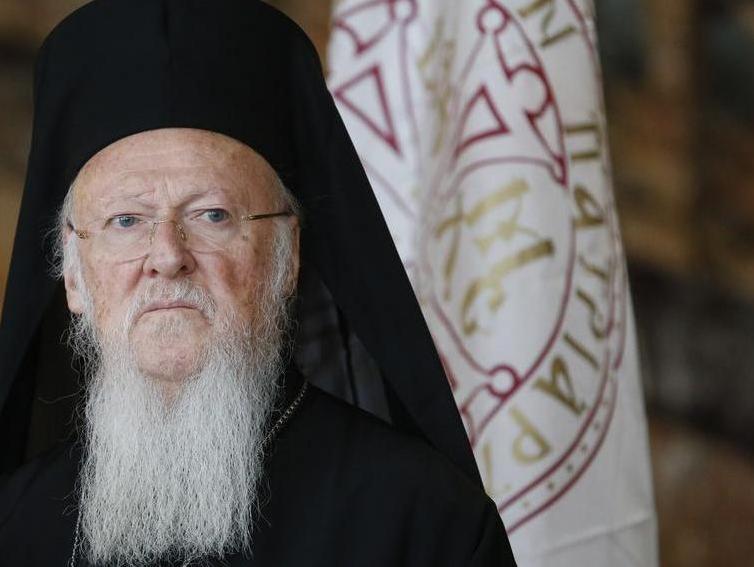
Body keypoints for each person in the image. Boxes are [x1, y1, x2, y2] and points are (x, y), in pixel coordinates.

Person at [0, 1, 518, 565]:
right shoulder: (15, 527)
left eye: (213, 215)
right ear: (74, 274)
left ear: (286, 255)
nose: (167, 257)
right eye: (126, 221)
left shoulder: (427, 521)